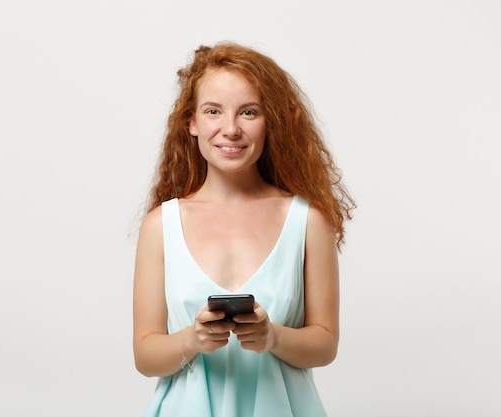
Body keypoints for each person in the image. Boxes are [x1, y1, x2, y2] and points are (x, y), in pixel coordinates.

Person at [132, 41, 355, 417]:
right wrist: (193, 339)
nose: (231, 129)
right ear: (191, 122)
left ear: (271, 121)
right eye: (213, 111)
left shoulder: (307, 221)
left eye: (248, 112)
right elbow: (145, 355)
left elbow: (325, 344)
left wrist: (272, 337)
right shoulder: (161, 226)